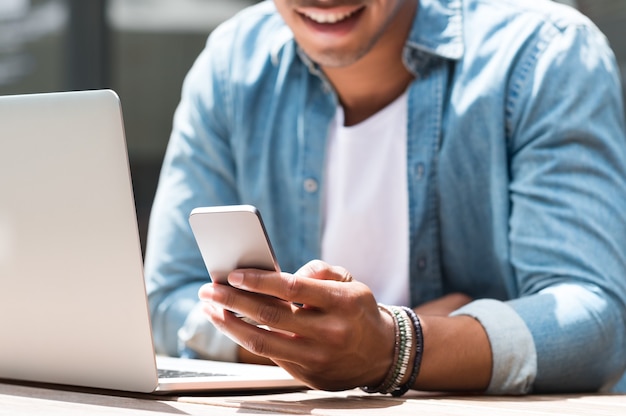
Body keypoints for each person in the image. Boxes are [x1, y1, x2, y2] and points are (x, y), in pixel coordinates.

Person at [144, 0, 626, 395]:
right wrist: (328, 343)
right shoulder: (231, 67)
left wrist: (394, 344)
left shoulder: (543, 54)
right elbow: (168, 300)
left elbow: (595, 322)